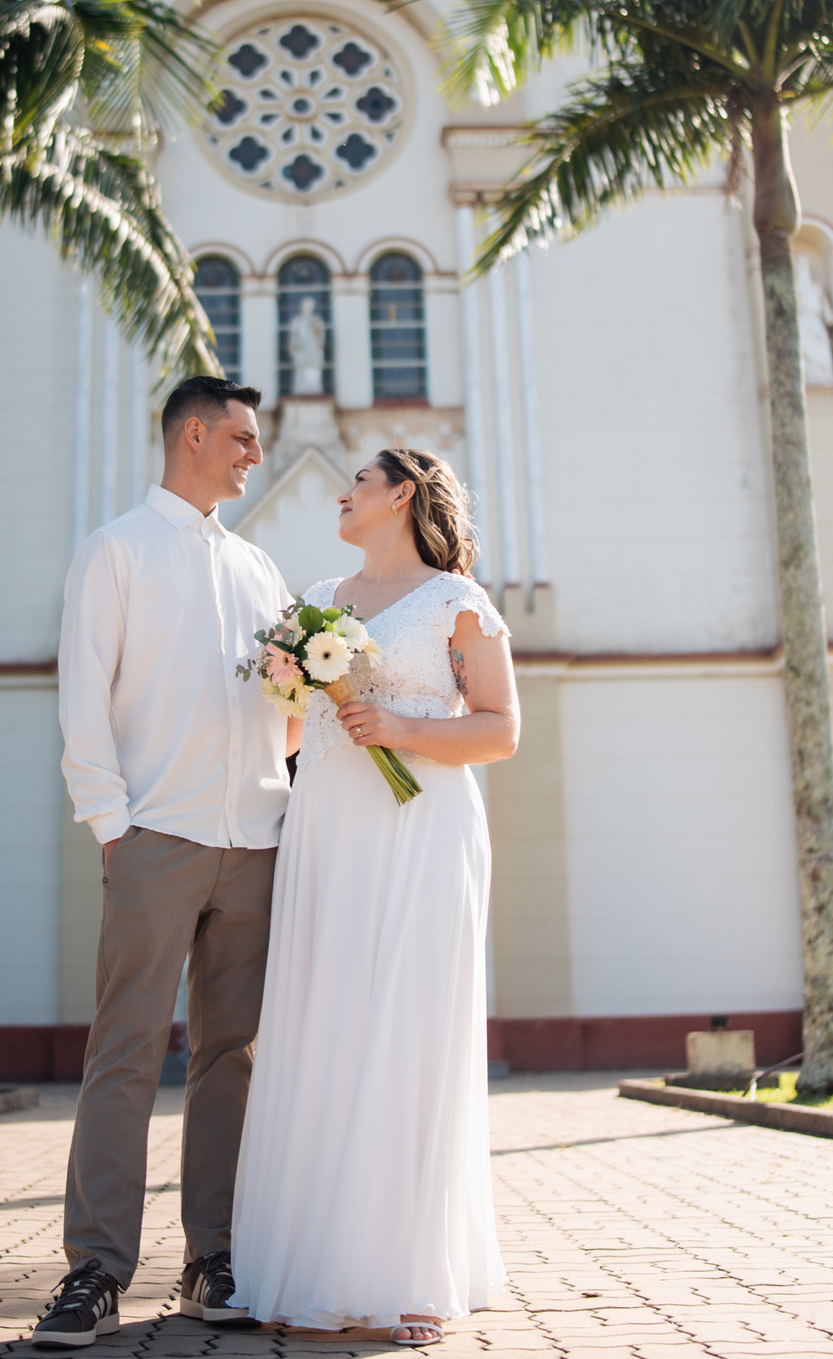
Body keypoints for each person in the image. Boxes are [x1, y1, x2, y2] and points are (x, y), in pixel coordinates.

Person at [229, 447, 520, 1344]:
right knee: (326, 1025)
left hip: (422, 829)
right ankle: (313, 1264)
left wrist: (399, 726)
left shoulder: (457, 603)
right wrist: (286, 693)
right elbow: (284, 727)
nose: (343, 492)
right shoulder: (317, 600)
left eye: (359, 480)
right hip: (328, 834)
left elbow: (502, 731)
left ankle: (410, 1273)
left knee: (408, 1027)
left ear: (401, 494)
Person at [34, 376, 300, 1351]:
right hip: (156, 840)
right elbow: (83, 698)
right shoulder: (116, 552)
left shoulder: (262, 569)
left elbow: (286, 708)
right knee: (126, 1055)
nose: (253, 455)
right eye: (241, 438)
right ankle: (95, 1270)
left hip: (256, 844)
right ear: (193, 435)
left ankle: (211, 1258)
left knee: (232, 1060)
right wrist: (114, 824)